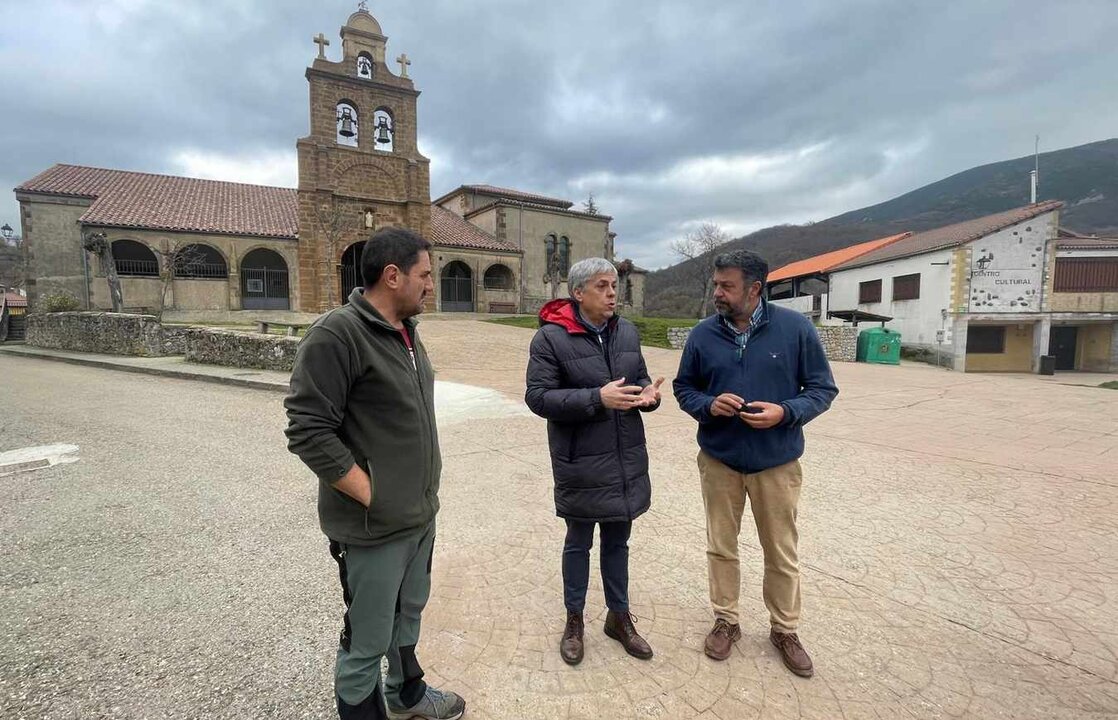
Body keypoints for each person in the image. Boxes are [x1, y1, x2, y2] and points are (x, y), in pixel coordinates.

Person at [284, 227, 465, 720]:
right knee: (366, 638)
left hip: (419, 517)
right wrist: (374, 494)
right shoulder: (336, 334)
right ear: (392, 276)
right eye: (425, 275)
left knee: (408, 616)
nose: (431, 284)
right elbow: (307, 429)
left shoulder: (407, 330)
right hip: (373, 526)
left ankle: (405, 694)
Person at [672, 249, 838, 678]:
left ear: (755, 288)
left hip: (776, 463)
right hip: (720, 461)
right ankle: (726, 620)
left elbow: (822, 389)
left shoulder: (796, 329)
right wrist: (710, 405)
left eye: (726, 286)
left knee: (781, 551)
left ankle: (784, 629)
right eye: (715, 285)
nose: (717, 293)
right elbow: (684, 388)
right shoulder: (703, 335)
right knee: (720, 547)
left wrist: (785, 412)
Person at [525, 257, 664, 666]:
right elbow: (537, 397)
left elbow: (638, 379)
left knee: (618, 542)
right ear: (579, 292)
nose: (611, 293)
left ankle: (619, 619)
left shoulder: (627, 332)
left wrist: (647, 397)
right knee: (579, 543)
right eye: (602, 286)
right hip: (581, 461)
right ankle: (574, 621)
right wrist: (594, 398)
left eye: (614, 285)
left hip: (625, 460)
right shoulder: (550, 339)